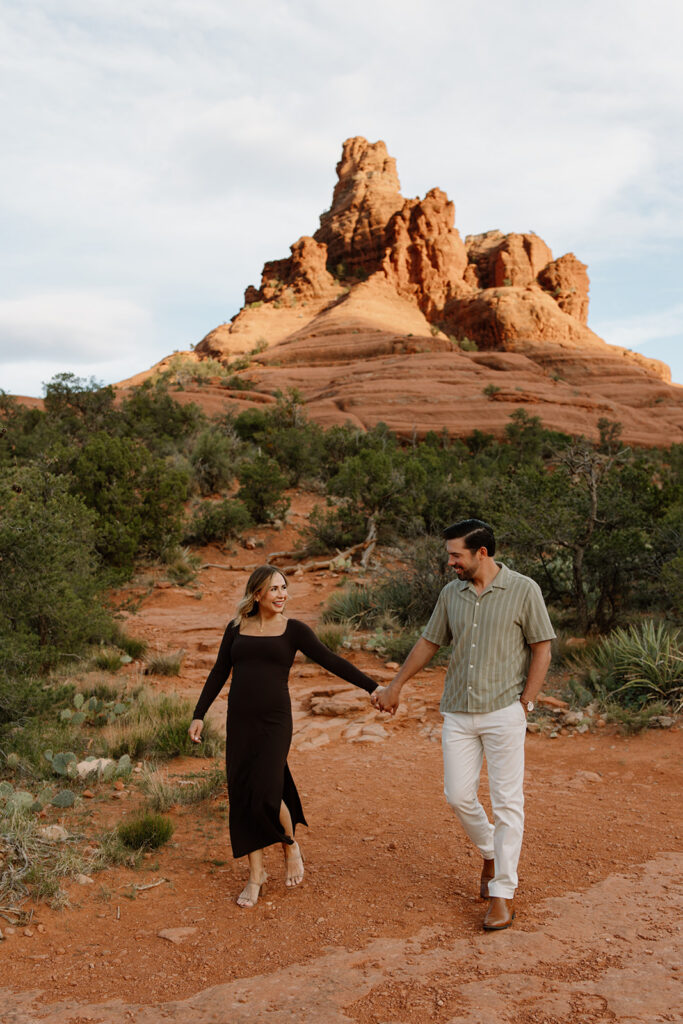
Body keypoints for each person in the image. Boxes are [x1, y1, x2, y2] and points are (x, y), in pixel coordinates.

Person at [372, 519, 555, 930]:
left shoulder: (524, 590)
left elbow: (542, 649)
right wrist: (395, 685)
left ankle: (502, 894)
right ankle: (490, 849)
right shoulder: (450, 593)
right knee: (457, 795)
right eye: (449, 555)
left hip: (504, 710)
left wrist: (525, 704)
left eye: (456, 555)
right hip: (457, 710)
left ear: (482, 554)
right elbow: (429, 642)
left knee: (508, 803)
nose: (450, 562)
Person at [189, 564, 377, 908]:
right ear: (257, 594)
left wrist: (373, 687)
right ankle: (256, 874)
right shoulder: (236, 628)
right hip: (240, 720)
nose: (281, 595)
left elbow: (331, 661)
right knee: (242, 794)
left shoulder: (294, 630)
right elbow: (219, 671)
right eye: (274, 589)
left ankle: (290, 845)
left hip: (275, 721)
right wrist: (199, 714)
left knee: (267, 791)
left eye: (284, 588)